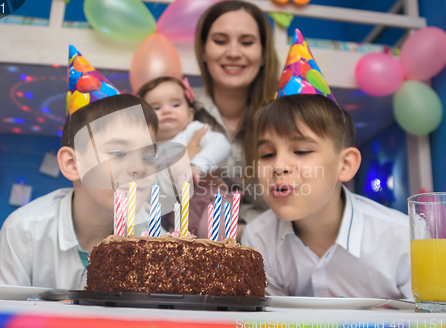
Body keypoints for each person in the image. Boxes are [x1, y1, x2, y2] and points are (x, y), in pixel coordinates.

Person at [241, 29, 412, 299]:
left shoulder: (404, 239)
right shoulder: (258, 240)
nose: (278, 166)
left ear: (345, 164)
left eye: (301, 150)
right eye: (267, 154)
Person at [0, 46, 161, 289]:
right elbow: (1, 320)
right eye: (119, 152)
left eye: (148, 155)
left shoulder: (153, 235)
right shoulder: (26, 230)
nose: (139, 167)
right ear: (72, 164)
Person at [190, 0, 280, 240]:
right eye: (220, 41)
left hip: (270, 251)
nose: (233, 52)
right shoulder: (178, 109)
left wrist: (245, 232)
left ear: (263, 54)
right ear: (203, 50)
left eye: (247, 42)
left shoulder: (284, 117)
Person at [138, 77, 232, 237]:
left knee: (212, 237)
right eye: (156, 107)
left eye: (175, 105)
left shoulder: (193, 131)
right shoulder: (146, 150)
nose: (167, 111)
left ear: (190, 114)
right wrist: (145, 202)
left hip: (210, 199)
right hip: (175, 213)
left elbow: (222, 144)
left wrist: (197, 165)